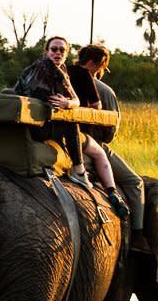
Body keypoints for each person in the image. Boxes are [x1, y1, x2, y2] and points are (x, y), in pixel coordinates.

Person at [13, 36, 128, 218]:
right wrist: (69, 104)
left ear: (67, 54)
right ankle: (82, 171)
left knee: (69, 120)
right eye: (54, 49)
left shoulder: (57, 71)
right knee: (75, 127)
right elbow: (87, 105)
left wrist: (68, 103)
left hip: (37, 125)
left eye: (61, 50)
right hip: (43, 127)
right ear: (47, 51)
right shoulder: (50, 71)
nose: (57, 53)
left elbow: (74, 99)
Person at [68, 43, 150, 253]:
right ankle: (138, 237)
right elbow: (109, 135)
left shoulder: (62, 78)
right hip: (88, 143)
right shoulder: (103, 90)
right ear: (98, 63)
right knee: (135, 182)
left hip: (57, 142)